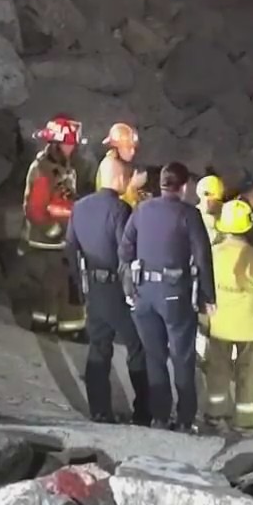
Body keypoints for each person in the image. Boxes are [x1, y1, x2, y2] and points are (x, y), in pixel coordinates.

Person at [119, 162, 216, 431]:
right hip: (174, 294)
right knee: (183, 357)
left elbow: (124, 250)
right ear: (184, 186)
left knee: (154, 357)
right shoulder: (189, 214)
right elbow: (203, 257)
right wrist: (208, 296)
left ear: (161, 183)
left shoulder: (141, 210)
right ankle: (185, 419)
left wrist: (130, 286)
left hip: (143, 295)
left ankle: (159, 416)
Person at [66, 157, 151, 424]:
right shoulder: (120, 209)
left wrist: (81, 287)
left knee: (98, 347)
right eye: (125, 178)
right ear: (118, 180)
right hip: (116, 288)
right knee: (137, 346)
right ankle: (143, 412)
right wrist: (133, 293)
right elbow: (125, 254)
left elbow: (70, 248)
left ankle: (99, 410)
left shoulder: (79, 207)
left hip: (93, 286)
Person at [204, 199, 253, 430]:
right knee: (250, 375)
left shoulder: (211, 254)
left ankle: (215, 414)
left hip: (218, 325)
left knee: (217, 371)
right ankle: (244, 421)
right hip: (251, 328)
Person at [22, 117, 83, 333]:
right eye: (68, 143)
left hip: (62, 236)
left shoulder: (65, 168)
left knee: (61, 284)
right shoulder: (42, 170)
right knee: (52, 286)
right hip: (46, 241)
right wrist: (53, 230)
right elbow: (34, 209)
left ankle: (60, 325)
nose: (72, 147)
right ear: (56, 144)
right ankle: (50, 325)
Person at [103, 123, 147, 207]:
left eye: (134, 147)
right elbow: (112, 201)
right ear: (117, 147)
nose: (133, 152)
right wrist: (133, 185)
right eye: (128, 147)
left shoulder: (121, 164)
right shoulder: (110, 166)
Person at [195, 174, 227, 244]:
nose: (208, 201)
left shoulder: (227, 213)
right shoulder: (193, 215)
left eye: (215, 200)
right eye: (206, 195)